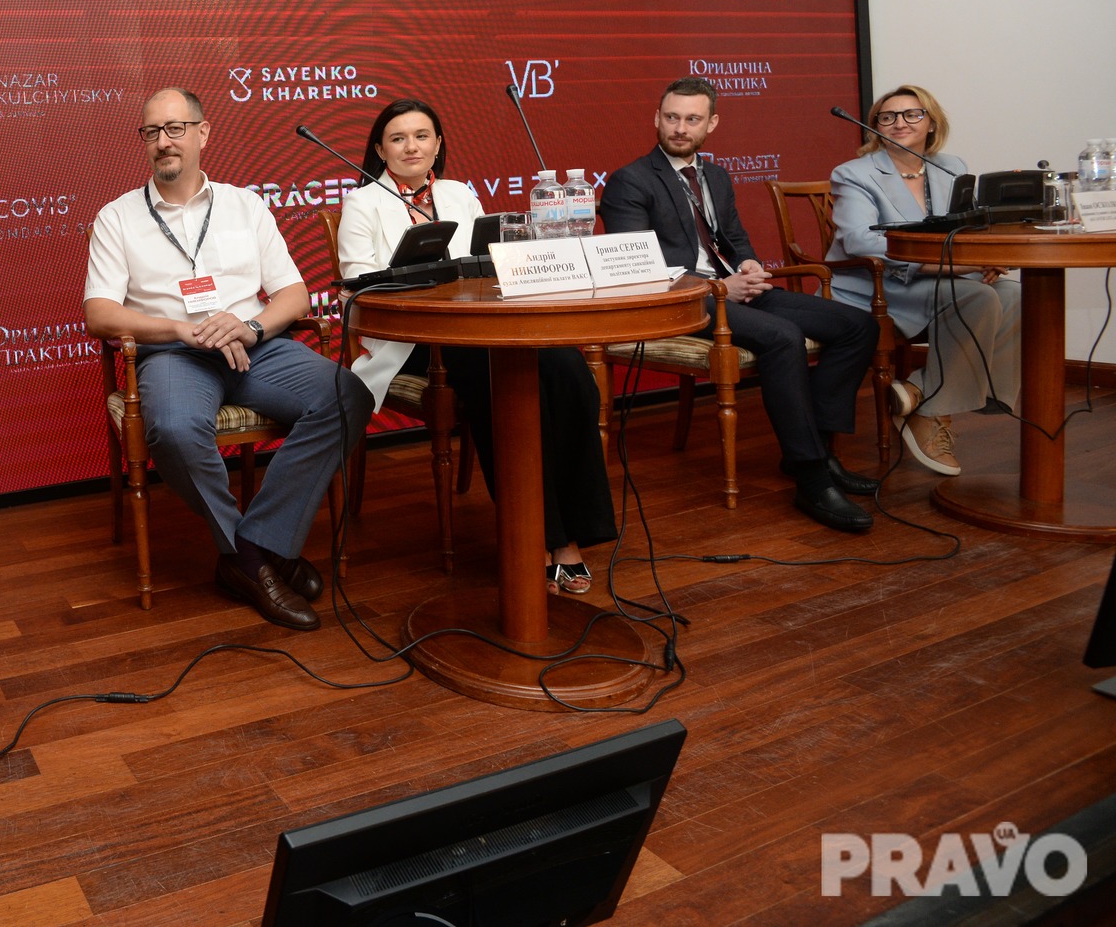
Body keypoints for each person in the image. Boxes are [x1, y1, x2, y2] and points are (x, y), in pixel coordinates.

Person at [83, 87, 373, 630]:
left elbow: (293, 294)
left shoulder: (244, 205)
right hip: (175, 355)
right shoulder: (117, 217)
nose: (164, 142)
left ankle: (257, 546)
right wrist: (180, 328)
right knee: (172, 428)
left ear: (203, 133)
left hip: (255, 346)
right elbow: (99, 313)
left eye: (175, 129)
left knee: (347, 394)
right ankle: (254, 557)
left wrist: (250, 326)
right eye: (152, 132)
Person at [337, 98, 616, 592]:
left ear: (438, 144)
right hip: (415, 343)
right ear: (380, 149)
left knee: (568, 370)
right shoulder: (363, 202)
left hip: (479, 329)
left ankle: (577, 530)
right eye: (398, 138)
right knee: (501, 383)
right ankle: (541, 538)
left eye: (421, 136)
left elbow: (492, 261)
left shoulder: (459, 193)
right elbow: (357, 285)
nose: (411, 147)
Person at [598, 77, 881, 533]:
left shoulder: (716, 175)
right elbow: (638, 268)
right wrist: (719, 288)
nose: (680, 128)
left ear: (711, 123)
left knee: (858, 326)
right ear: (657, 118)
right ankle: (811, 476)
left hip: (732, 290)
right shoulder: (630, 181)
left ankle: (820, 449)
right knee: (783, 337)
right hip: (682, 302)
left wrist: (748, 264)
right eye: (672, 117)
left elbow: (733, 236)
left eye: (692, 119)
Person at [827, 84, 1021, 474]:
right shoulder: (854, 173)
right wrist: (957, 267)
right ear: (875, 126)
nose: (899, 123)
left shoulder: (951, 165)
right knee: (978, 298)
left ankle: (921, 391)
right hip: (876, 284)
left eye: (912, 114)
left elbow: (968, 226)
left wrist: (986, 257)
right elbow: (861, 241)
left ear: (931, 123)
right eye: (887, 116)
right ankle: (931, 412)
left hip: (941, 277)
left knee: (1013, 293)